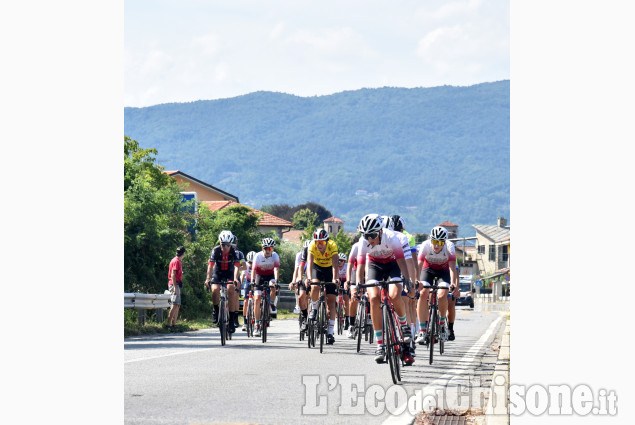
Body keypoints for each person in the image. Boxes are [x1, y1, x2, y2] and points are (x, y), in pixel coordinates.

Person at [356, 214, 416, 365]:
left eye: (372, 235)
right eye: (366, 235)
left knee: (395, 295)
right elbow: (361, 264)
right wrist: (357, 283)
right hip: (374, 266)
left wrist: (408, 280)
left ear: (381, 231)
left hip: (393, 265)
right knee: (374, 298)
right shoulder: (364, 241)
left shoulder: (392, 238)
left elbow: (402, 261)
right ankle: (380, 345)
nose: (369, 239)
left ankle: (403, 326)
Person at [414, 226, 460, 345]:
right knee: (423, 293)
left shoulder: (450, 247)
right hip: (427, 269)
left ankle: (441, 324)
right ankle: (422, 330)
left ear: (444, 242)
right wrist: (416, 281)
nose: (436, 245)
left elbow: (452, 268)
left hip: (443, 271)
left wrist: (453, 283)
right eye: (434, 242)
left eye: (440, 243)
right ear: (431, 240)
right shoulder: (425, 245)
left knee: (442, 295)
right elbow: (419, 265)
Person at [303, 229, 339, 345]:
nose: (319, 245)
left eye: (322, 243)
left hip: (329, 269)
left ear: (327, 242)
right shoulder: (312, 245)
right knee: (314, 286)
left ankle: (330, 332)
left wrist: (335, 278)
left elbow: (335, 265)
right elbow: (309, 263)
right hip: (317, 268)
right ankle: (314, 308)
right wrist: (308, 278)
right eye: (318, 242)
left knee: (331, 302)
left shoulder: (332, 245)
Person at [204, 230, 242, 333]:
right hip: (218, 272)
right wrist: (208, 278)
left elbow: (236, 266)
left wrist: (235, 278)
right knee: (215, 289)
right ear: (219, 243)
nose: (224, 247)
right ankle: (216, 310)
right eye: (222, 244)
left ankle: (231, 320)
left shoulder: (235, 251)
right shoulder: (215, 250)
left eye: (227, 245)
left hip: (230, 272)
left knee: (231, 289)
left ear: (231, 244)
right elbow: (211, 266)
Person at [251, 238, 280, 337]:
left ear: (272, 249)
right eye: (266, 248)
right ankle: (257, 324)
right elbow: (254, 271)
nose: (268, 251)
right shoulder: (257, 256)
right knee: (257, 299)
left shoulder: (275, 256)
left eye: (270, 249)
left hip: (270, 276)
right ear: (262, 249)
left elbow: (276, 269)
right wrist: (252, 281)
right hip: (259, 276)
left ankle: (271, 303)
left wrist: (276, 281)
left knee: (273, 286)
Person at [290, 240, 311, 329]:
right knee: (301, 296)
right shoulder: (300, 255)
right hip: (304, 275)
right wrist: (294, 280)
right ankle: (304, 317)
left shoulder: (316, 254)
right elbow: (297, 269)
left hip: (313, 275)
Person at [346, 238, 362, 339]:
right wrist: (348, 280)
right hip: (356, 271)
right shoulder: (356, 246)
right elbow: (350, 264)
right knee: (353, 297)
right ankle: (351, 325)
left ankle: (369, 315)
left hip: (369, 269)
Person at [167, 246, 186, 332]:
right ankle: (168, 324)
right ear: (183, 253)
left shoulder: (177, 260)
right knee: (174, 304)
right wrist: (175, 287)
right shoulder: (176, 261)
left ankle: (174, 325)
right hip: (174, 285)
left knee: (177, 305)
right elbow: (173, 274)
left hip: (177, 284)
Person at [231, 234, 246, 328]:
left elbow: (244, 266)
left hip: (236, 276)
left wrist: (236, 268)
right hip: (225, 274)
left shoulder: (239, 253)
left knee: (236, 297)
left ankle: (235, 319)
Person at [240, 251, 256, 331]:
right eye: (250, 262)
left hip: (256, 280)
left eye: (253, 262)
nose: (251, 264)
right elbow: (242, 276)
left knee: (257, 300)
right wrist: (239, 286)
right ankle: (245, 323)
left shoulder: (257, 265)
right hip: (248, 280)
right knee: (245, 301)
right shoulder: (245, 265)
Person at [337, 252, 350, 330]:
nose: (339, 262)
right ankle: (339, 314)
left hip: (345, 281)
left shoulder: (347, 266)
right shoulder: (334, 267)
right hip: (338, 282)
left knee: (346, 301)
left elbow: (349, 276)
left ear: (344, 262)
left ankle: (347, 319)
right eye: (338, 260)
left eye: (341, 260)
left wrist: (347, 283)